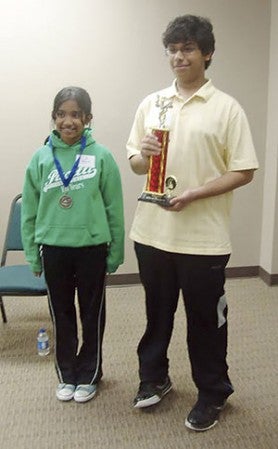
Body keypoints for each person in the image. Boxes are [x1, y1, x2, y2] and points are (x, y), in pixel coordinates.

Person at [127, 15, 258, 431]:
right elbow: (134, 163)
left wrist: (194, 194)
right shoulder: (153, 104)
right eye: (173, 49)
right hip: (151, 233)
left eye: (187, 48)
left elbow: (244, 170)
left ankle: (213, 393)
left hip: (203, 240)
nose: (178, 56)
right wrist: (145, 154)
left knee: (205, 321)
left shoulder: (227, 108)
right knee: (157, 314)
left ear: (207, 53)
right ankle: (154, 379)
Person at [22, 86, 124, 403]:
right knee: (61, 315)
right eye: (62, 114)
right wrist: (32, 255)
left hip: (92, 250)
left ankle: (90, 374)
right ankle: (67, 373)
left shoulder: (102, 156)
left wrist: (116, 252)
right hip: (53, 250)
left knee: (92, 314)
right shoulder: (40, 159)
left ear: (88, 119)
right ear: (54, 118)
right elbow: (29, 211)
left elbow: (114, 208)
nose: (69, 121)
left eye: (76, 114)